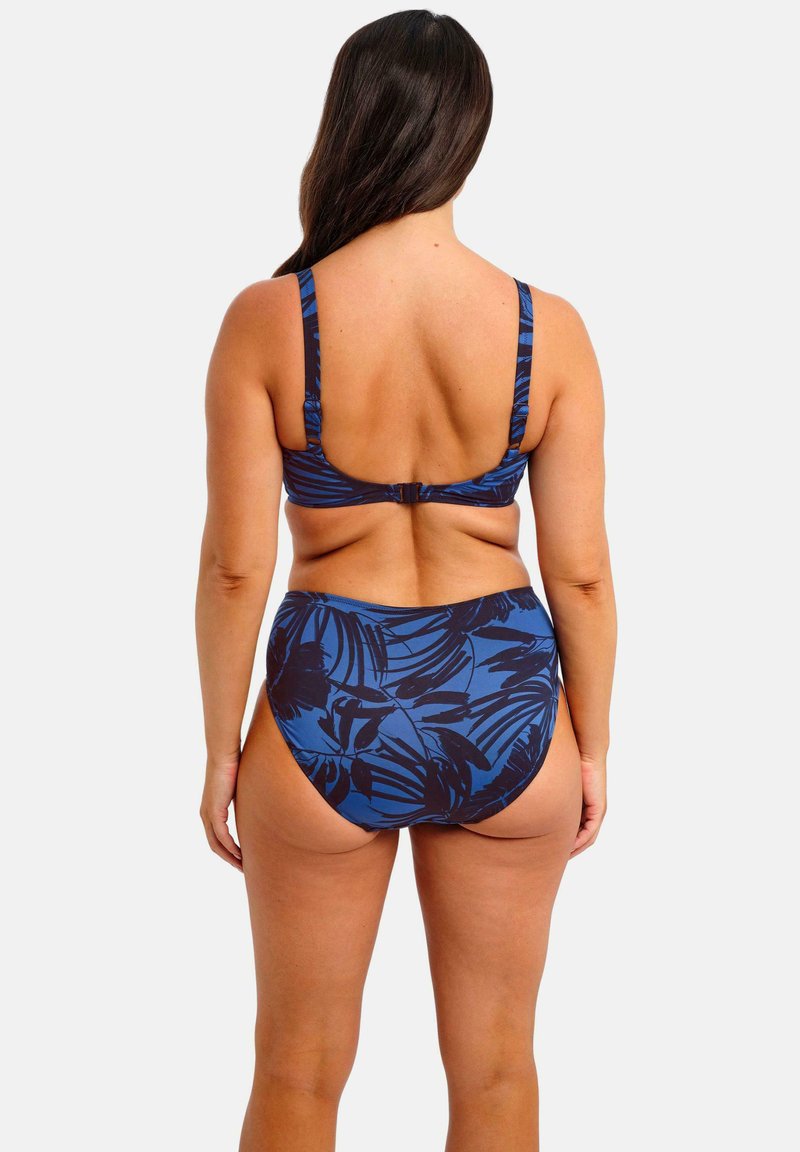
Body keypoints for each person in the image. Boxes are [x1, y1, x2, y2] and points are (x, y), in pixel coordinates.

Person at [195, 10, 616, 1151]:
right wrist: (590, 744)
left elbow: (235, 568)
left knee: (296, 1069)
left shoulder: (269, 319)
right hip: (505, 699)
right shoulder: (547, 329)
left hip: (330, 694)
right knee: (496, 1070)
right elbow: (579, 575)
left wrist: (224, 749)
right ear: (467, 134)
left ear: (347, 123)